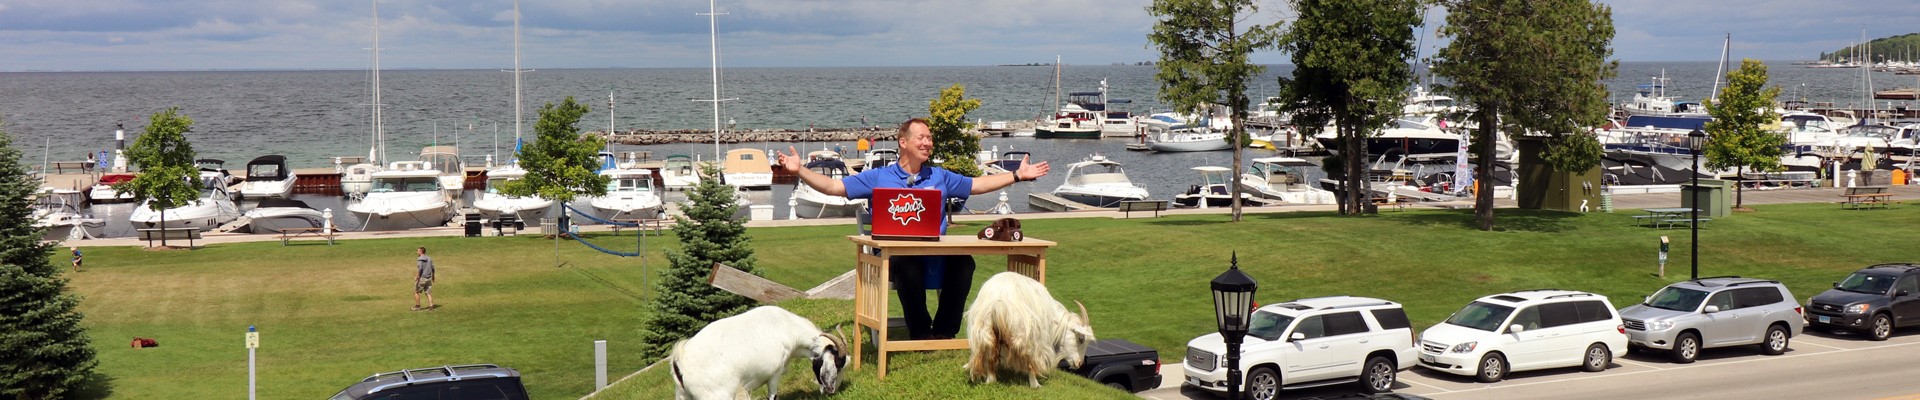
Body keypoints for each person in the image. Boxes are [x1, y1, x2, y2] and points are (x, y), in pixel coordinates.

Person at [777, 118, 1050, 340]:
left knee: (964, 263)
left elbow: (976, 185)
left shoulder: (939, 176)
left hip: (936, 256)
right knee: (907, 264)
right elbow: (834, 187)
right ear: (903, 142)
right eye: (921, 137)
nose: (928, 142)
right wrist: (799, 170)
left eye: (930, 138)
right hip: (897, 259)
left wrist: (1016, 175)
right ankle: (920, 332)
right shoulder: (879, 176)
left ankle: (944, 333)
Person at [413, 247, 435, 311]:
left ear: (421, 252)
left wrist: (417, 276)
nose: (417, 252)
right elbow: (433, 268)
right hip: (429, 278)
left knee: (416, 292)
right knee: (428, 292)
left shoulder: (420, 259)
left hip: (422, 278)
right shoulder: (429, 258)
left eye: (418, 251)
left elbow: (420, 268)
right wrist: (433, 276)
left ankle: (417, 306)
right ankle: (431, 306)